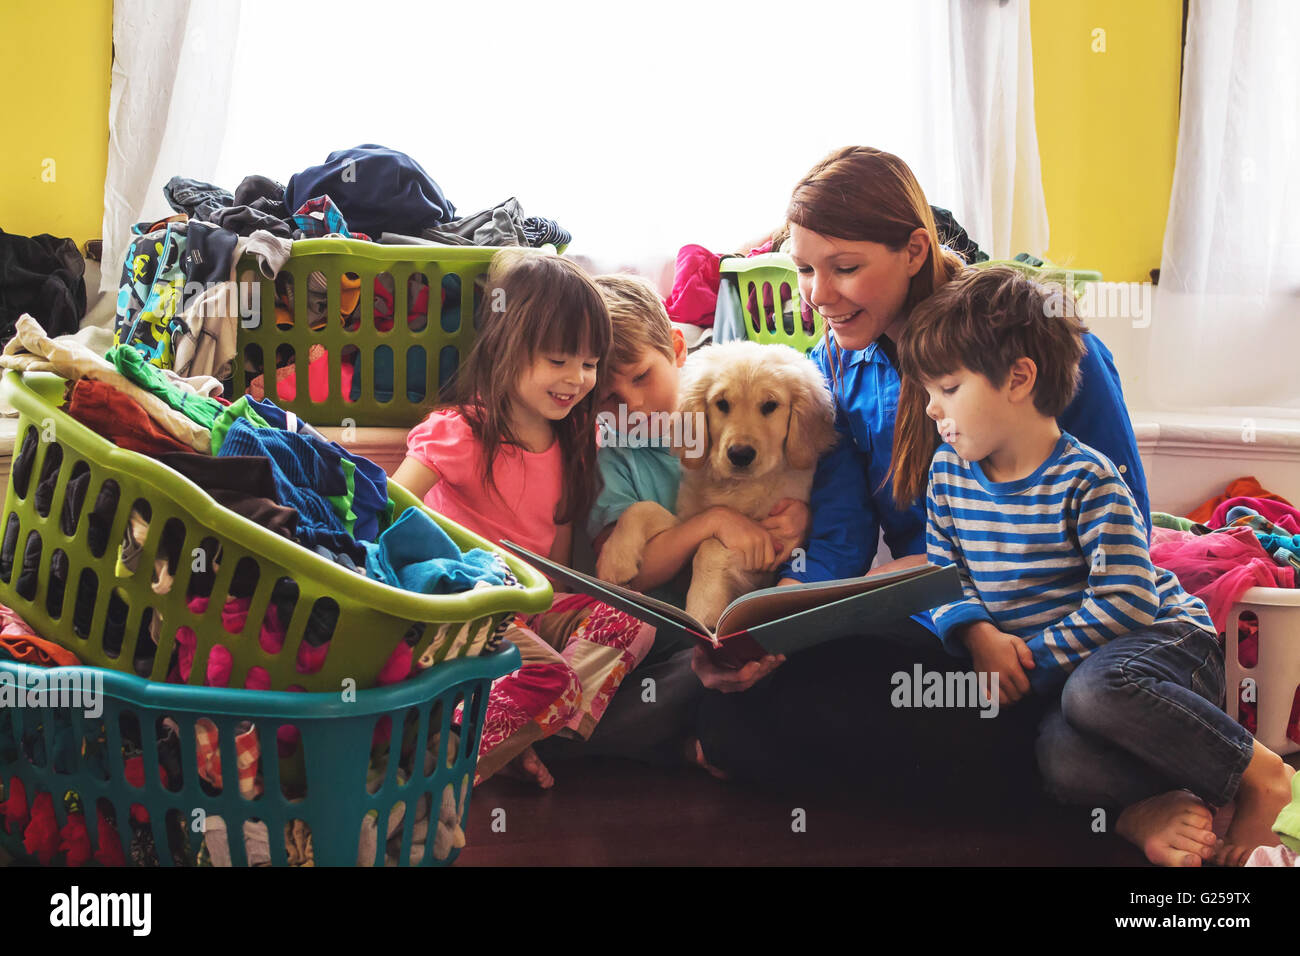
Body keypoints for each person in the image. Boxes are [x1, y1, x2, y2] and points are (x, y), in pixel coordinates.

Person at [692, 146, 1151, 794]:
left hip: (1051, 630)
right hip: (944, 624)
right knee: (730, 716)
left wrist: (1002, 629)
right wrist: (775, 635)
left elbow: (1129, 529)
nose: (817, 295)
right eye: (803, 270)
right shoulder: (838, 368)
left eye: (844, 268)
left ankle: (1072, 773)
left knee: (1070, 738)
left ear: (913, 251)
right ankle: (1040, 775)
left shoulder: (1038, 344)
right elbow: (841, 539)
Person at [901, 266, 1292, 867]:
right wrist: (976, 634)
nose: (931, 409)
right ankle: (1147, 808)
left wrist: (1033, 658)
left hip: (1158, 647)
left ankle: (1258, 771)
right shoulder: (949, 476)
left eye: (948, 388)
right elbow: (942, 572)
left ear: (1018, 378)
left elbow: (1128, 601)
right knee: (1060, 759)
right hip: (1067, 674)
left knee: (1094, 692)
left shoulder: (1088, 481)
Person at [392, 251, 654, 787]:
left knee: (636, 620)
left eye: (588, 363)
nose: (577, 379)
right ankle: (446, 761)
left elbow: (554, 575)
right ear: (508, 351)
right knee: (548, 678)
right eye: (558, 361)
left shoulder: (572, 445)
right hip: (461, 610)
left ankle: (524, 730)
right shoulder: (460, 432)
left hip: (525, 610)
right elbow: (386, 515)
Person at [534, 274, 810, 773]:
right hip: (650, 637)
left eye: (641, 377)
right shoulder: (615, 456)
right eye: (611, 397)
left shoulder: (726, 415)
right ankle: (568, 737)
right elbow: (626, 577)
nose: (633, 405)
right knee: (674, 676)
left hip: (719, 632)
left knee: (751, 667)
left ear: (677, 349)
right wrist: (715, 522)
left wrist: (799, 518)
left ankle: (670, 737)